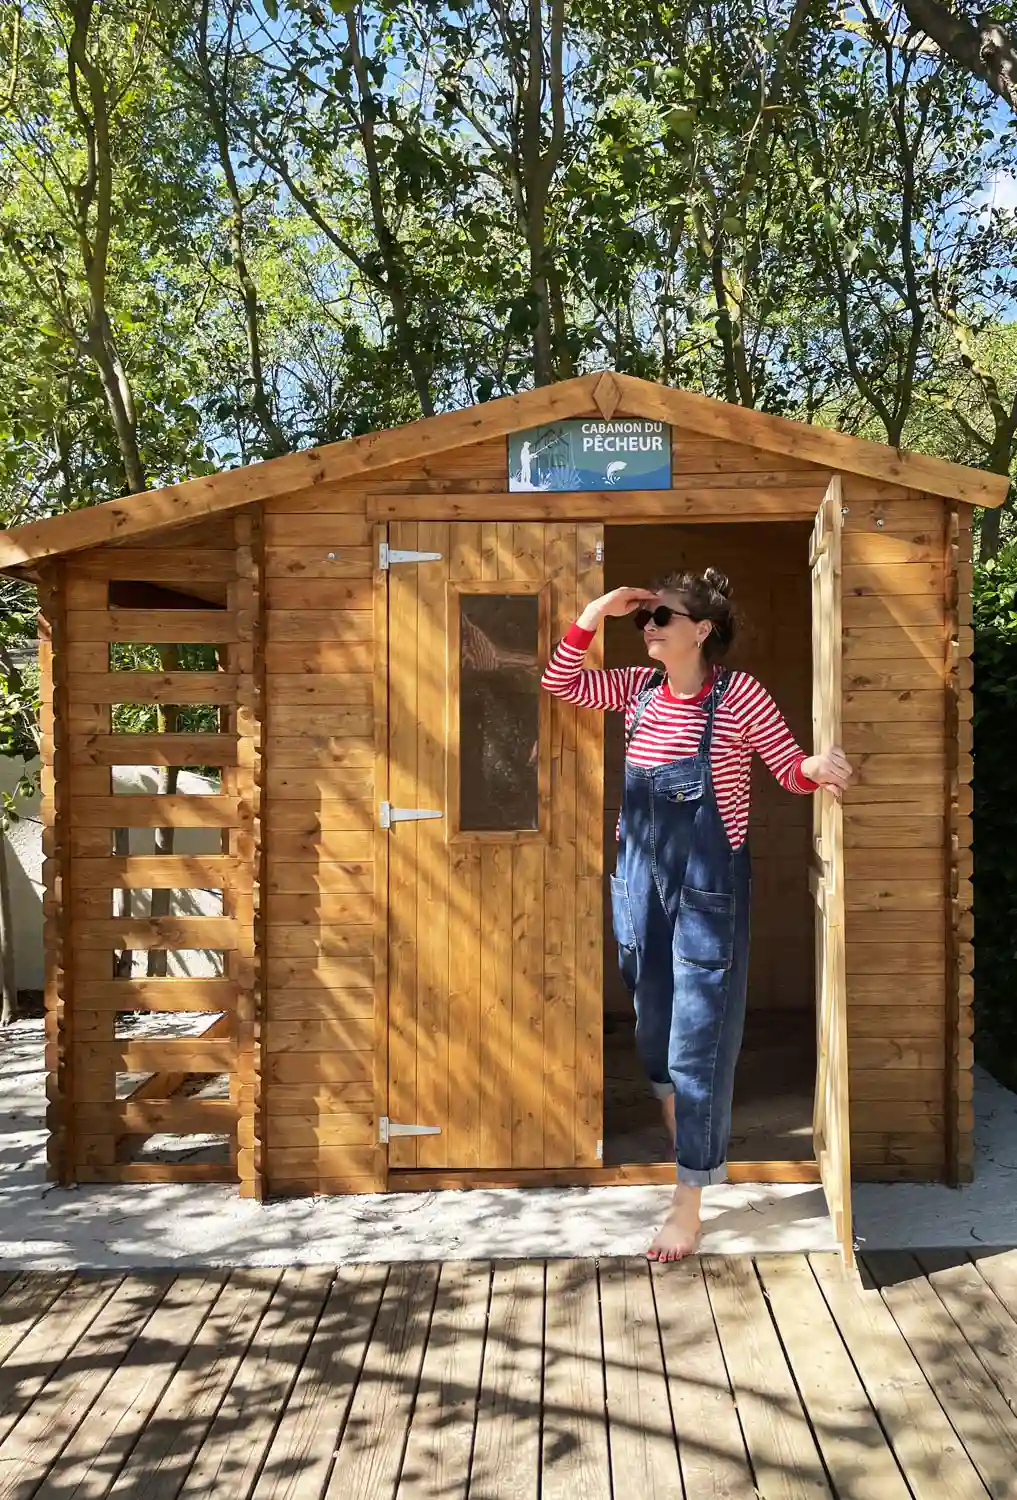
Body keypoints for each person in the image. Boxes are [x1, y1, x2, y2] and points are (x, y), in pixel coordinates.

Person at [540, 568, 853, 1262]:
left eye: (662, 618)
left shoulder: (738, 695)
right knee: (651, 1014)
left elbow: (785, 768)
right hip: (638, 880)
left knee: (700, 1030)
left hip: (710, 885)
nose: (648, 628)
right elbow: (560, 682)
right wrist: (594, 611)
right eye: (643, 620)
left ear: (701, 631)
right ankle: (673, 1101)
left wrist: (820, 768)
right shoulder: (636, 688)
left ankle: (689, 1198)